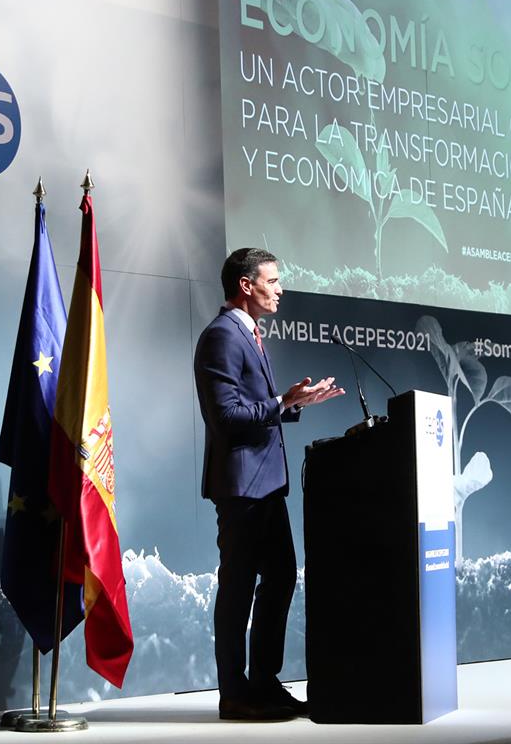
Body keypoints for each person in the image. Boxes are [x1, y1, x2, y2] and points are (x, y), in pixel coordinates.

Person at [194, 248, 344, 720]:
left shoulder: (252, 335)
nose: (280, 289)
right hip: (241, 487)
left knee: (279, 577)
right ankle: (233, 693)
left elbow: (261, 407)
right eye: (273, 280)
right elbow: (225, 418)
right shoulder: (222, 336)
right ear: (246, 284)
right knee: (238, 586)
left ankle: (263, 681)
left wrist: (297, 403)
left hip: (267, 485)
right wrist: (282, 401)